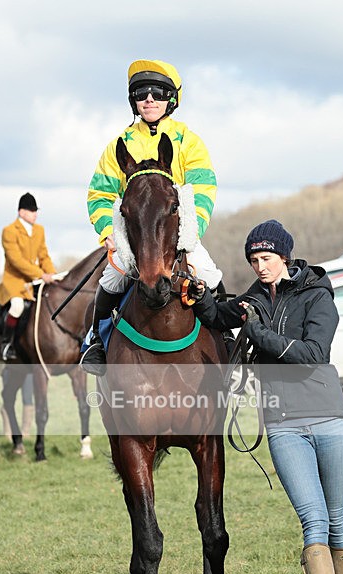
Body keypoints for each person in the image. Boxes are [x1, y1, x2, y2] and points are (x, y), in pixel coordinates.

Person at [192, 219, 343, 574]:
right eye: (253, 260)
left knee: (337, 520)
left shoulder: (317, 295)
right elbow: (220, 314)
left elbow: (312, 353)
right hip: (283, 424)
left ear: (284, 256)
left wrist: (259, 335)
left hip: (328, 418)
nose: (259, 266)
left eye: (266, 258)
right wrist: (200, 299)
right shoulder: (253, 299)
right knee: (313, 519)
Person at [80, 58, 224, 375]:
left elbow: (203, 188)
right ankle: (97, 344)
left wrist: (189, 234)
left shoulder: (189, 141)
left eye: (157, 93)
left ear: (170, 99)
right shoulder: (118, 145)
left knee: (209, 273)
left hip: (178, 237)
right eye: (141, 92)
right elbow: (100, 194)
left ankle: (225, 341)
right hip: (134, 241)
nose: (149, 99)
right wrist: (109, 234)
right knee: (112, 277)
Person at [0, 193, 56, 361]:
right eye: (31, 211)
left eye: (36, 211)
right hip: (15, 281)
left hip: (36, 279)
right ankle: (7, 344)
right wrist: (41, 274)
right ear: (21, 212)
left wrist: (52, 274)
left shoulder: (39, 230)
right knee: (17, 307)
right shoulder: (9, 231)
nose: (35, 214)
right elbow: (16, 261)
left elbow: (44, 255)